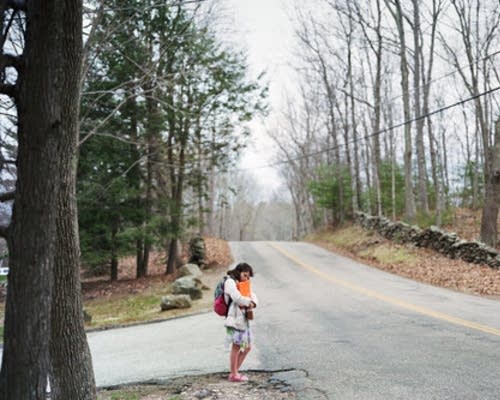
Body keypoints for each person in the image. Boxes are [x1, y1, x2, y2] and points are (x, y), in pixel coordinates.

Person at [223, 262, 258, 382]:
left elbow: (252, 294)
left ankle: (234, 372)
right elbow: (237, 298)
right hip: (234, 319)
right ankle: (234, 374)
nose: (246, 278)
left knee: (247, 347)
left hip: (244, 319)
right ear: (239, 272)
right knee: (236, 346)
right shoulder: (230, 282)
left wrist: (253, 302)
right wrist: (249, 302)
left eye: (248, 276)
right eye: (245, 275)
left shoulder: (243, 283)